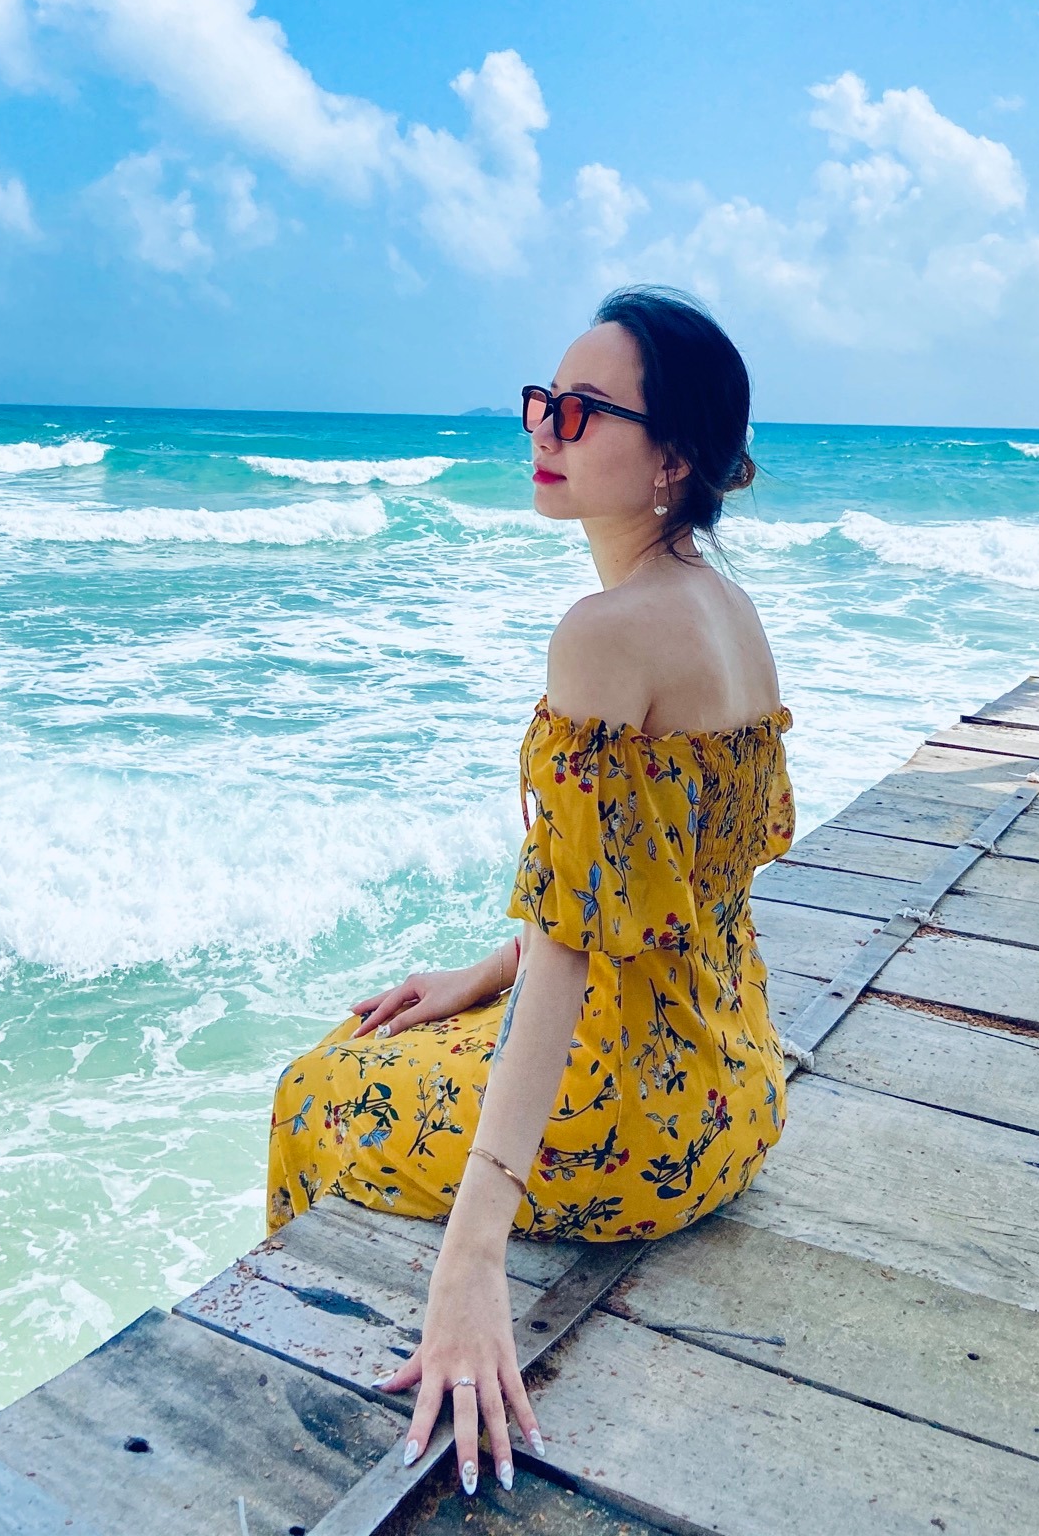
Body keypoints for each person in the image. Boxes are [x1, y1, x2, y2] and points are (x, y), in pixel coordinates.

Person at [265, 285, 795, 1497]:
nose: (546, 428)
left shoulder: (603, 632)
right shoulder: (729, 608)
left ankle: (310, 1418)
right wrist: (484, 969)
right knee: (408, 1028)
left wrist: (473, 1261)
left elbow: (570, 949)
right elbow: (669, 891)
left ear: (673, 456)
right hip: (738, 1093)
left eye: (584, 408)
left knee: (315, 1085)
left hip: (636, 1129)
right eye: (544, 400)